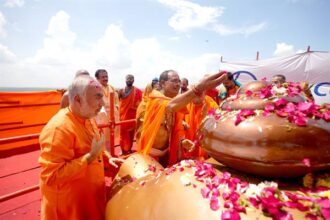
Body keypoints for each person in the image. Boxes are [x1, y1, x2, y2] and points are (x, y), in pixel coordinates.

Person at [39, 75, 122, 220]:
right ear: (78, 99)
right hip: (70, 206)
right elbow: (51, 177)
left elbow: (96, 146)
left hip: (90, 196)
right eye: (97, 97)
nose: (102, 103)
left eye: (102, 97)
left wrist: (107, 158)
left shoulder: (87, 117)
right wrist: (89, 158)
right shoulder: (58, 129)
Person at [137, 70, 227, 167]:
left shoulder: (175, 103)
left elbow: (172, 130)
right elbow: (170, 106)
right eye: (174, 81)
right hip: (150, 156)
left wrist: (181, 142)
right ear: (162, 83)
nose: (178, 84)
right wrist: (199, 88)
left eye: (179, 81)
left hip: (167, 154)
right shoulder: (153, 101)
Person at [184, 92, 218, 160]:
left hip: (204, 143)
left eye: (199, 95)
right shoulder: (186, 103)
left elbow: (216, 125)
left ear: (204, 93)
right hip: (189, 141)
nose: (195, 98)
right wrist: (182, 122)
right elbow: (179, 118)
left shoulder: (211, 104)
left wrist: (204, 116)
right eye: (193, 95)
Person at [95, 69, 120, 152]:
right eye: (103, 77)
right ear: (97, 78)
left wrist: (116, 107)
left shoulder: (111, 87)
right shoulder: (94, 89)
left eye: (106, 76)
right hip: (100, 117)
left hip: (112, 116)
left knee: (110, 136)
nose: (105, 78)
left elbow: (116, 100)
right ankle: (103, 156)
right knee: (100, 137)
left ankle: (110, 155)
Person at [118, 74, 142, 154]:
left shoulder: (137, 91)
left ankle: (129, 149)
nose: (129, 80)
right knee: (123, 134)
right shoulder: (121, 90)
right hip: (123, 116)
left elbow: (140, 104)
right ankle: (123, 149)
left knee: (131, 134)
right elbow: (120, 102)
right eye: (128, 78)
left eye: (131, 79)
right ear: (125, 80)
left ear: (133, 80)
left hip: (132, 116)